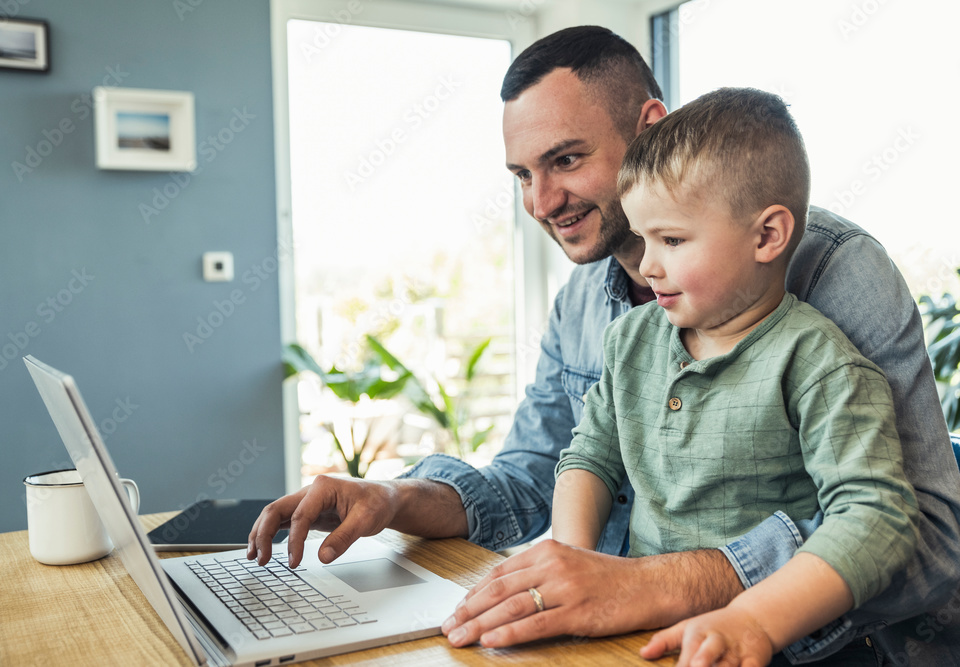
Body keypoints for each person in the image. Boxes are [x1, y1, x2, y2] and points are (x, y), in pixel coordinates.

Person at [248, 26, 960, 665]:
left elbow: (926, 539)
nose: (540, 203)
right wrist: (393, 495)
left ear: (650, 125)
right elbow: (532, 475)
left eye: (564, 159)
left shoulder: (833, 278)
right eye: (523, 175)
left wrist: (662, 584)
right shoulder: (593, 302)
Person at [552, 86, 919, 666]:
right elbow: (590, 454)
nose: (647, 265)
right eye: (644, 238)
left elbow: (877, 520)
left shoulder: (818, 362)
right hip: (648, 642)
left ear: (767, 236)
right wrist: (568, 562)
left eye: (671, 240)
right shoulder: (630, 340)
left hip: (788, 649)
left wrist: (754, 619)